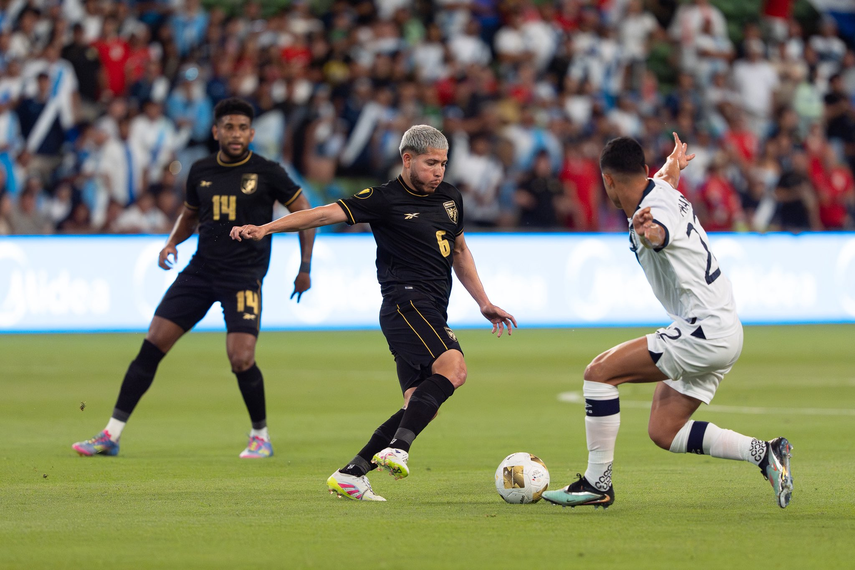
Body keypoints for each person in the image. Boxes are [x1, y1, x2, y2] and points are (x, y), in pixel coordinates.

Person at [230, 125, 516, 501]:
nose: (439, 172)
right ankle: (398, 449)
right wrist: (267, 228)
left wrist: (483, 301)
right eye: (431, 163)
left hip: (431, 308)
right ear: (407, 159)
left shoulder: (450, 197)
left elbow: (460, 251)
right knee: (455, 369)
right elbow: (321, 215)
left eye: (443, 163)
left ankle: (352, 474)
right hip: (405, 304)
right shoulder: (383, 199)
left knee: (420, 406)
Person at [541, 134, 793, 509]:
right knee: (665, 430)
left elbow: (660, 233)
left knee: (598, 374)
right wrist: (674, 163)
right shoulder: (659, 187)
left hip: (702, 332)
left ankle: (597, 483)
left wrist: (651, 234)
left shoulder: (652, 215)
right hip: (725, 327)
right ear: (644, 170)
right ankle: (765, 452)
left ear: (607, 180)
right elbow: (666, 178)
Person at [72, 98, 315, 459]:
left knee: (241, 358)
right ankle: (111, 434)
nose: (235, 134)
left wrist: (304, 266)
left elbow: (305, 213)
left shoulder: (268, 172)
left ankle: (260, 436)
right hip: (200, 272)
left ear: (251, 133)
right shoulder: (201, 170)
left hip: (243, 276)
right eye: (228, 127)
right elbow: (189, 217)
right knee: (152, 344)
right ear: (216, 131)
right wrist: (171, 243)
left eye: (242, 128)